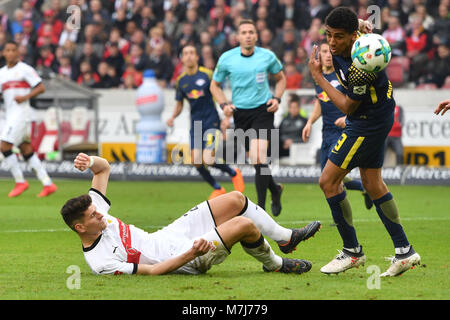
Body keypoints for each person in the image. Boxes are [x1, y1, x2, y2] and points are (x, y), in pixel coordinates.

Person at [60, 152, 322, 276]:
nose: (101, 216)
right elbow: (152, 272)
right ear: (80, 228)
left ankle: (286, 238)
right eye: (93, 217)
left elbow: (103, 170)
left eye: (97, 211)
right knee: (244, 225)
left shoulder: (96, 213)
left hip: (167, 235)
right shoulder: (100, 262)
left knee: (234, 199)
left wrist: (91, 162)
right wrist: (191, 254)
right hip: (181, 259)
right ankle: (275, 265)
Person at [308, 7, 420, 277]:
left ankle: (351, 251)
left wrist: (319, 78)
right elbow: (354, 25)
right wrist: (359, 22)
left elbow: (347, 106)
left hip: (366, 122)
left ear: (352, 37)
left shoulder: (362, 66)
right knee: (372, 183)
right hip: (376, 116)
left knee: (328, 182)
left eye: (338, 37)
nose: (331, 42)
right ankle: (405, 251)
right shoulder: (354, 39)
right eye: (328, 35)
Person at [210, 19, 286, 216]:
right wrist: (224, 104)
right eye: (243, 32)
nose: (248, 35)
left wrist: (277, 98)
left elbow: (281, 79)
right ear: (238, 37)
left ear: (256, 35)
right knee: (256, 160)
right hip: (240, 113)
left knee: (259, 156)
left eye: (251, 32)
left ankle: (260, 210)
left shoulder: (267, 56)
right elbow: (214, 85)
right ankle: (275, 189)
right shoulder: (227, 58)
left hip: (263, 110)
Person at [167, 45, 245, 200]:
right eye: (186, 54)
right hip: (195, 125)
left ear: (197, 57)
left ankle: (234, 173)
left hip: (211, 121)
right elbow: (180, 104)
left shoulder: (208, 74)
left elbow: (219, 94)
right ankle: (218, 188)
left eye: (191, 53)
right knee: (196, 161)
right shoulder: (181, 81)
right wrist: (172, 117)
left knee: (208, 159)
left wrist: (226, 117)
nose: (189, 56)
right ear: (182, 59)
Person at [302, 41, 373, 210]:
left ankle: (340, 217)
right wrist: (309, 122)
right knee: (326, 178)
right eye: (324, 52)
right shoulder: (318, 77)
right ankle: (364, 189)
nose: (327, 55)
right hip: (327, 132)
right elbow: (321, 101)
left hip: (344, 131)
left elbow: (357, 101)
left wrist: (347, 117)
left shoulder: (343, 75)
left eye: (329, 52)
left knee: (333, 177)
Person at [0, 41, 57, 198]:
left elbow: (41, 87)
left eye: (13, 50)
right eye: (8, 50)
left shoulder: (25, 69)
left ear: (18, 52)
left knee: (4, 146)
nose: (11, 53)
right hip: (10, 113)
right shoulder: (2, 73)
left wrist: (25, 96)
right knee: (26, 150)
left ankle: (20, 181)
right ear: (3, 53)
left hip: (22, 113)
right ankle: (48, 183)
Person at [278, 93, 307, 158]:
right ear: (289, 108)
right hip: (282, 144)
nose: (293, 109)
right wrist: (285, 141)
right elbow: (278, 133)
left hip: (296, 146)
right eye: (292, 107)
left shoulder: (304, 121)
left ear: (299, 108)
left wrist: (292, 141)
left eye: (295, 107)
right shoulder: (284, 120)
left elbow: (305, 138)